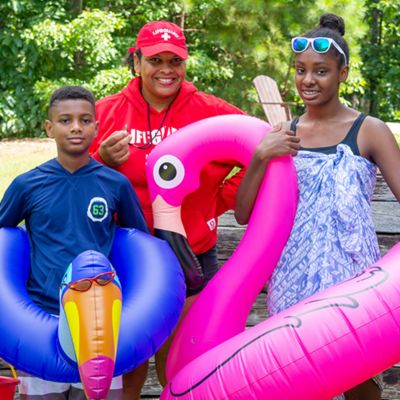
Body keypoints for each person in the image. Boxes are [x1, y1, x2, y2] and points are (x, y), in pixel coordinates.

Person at [235, 13, 400, 400]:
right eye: (300, 70)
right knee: (294, 380)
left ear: (343, 73)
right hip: (292, 277)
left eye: (321, 71)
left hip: (352, 278)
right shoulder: (281, 134)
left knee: (358, 377)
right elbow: (244, 214)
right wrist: (261, 156)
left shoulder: (369, 130)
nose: (308, 80)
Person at [89, 19, 245, 399]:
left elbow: (259, 150)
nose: (166, 70)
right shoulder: (106, 112)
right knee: (129, 358)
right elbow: (70, 177)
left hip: (190, 251)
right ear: (136, 61)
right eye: (155, 60)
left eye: (174, 61)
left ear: (185, 64)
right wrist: (100, 160)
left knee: (180, 358)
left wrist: (216, 201)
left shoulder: (211, 110)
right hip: (126, 252)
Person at [0, 86, 149, 400]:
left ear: (96, 126)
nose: (76, 127)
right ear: (50, 128)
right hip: (42, 320)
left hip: (99, 323)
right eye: (65, 120)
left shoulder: (115, 184)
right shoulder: (27, 185)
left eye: (84, 120)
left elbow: (141, 248)